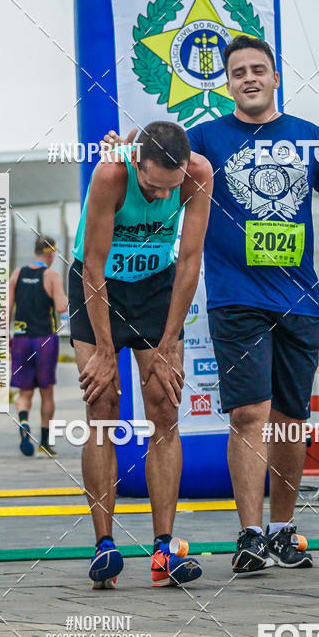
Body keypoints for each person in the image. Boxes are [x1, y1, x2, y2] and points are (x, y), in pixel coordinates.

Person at [187, 34, 319, 574]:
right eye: (238, 72)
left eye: (258, 69)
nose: (248, 78)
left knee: (292, 420)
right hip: (235, 297)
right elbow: (156, 164)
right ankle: (249, 535)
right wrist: (124, 147)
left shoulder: (307, 138)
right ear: (228, 84)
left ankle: (283, 529)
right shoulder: (204, 139)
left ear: (275, 78)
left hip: (297, 299)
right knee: (250, 412)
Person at [68, 121, 212, 589]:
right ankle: (104, 546)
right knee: (102, 406)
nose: (156, 197)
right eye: (150, 186)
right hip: (100, 282)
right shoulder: (112, 174)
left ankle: (163, 549)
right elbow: (92, 266)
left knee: (165, 407)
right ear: (136, 163)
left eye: (165, 190)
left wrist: (170, 342)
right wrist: (106, 351)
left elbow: (189, 260)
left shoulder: (197, 175)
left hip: (155, 285)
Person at [9, 235, 68, 457]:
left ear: (36, 251)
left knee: (25, 393)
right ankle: (44, 441)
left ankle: (24, 421)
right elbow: (61, 307)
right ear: (51, 253)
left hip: (21, 338)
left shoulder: (17, 274)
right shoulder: (52, 275)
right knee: (47, 393)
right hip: (44, 339)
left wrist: (7, 335)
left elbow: (7, 307)